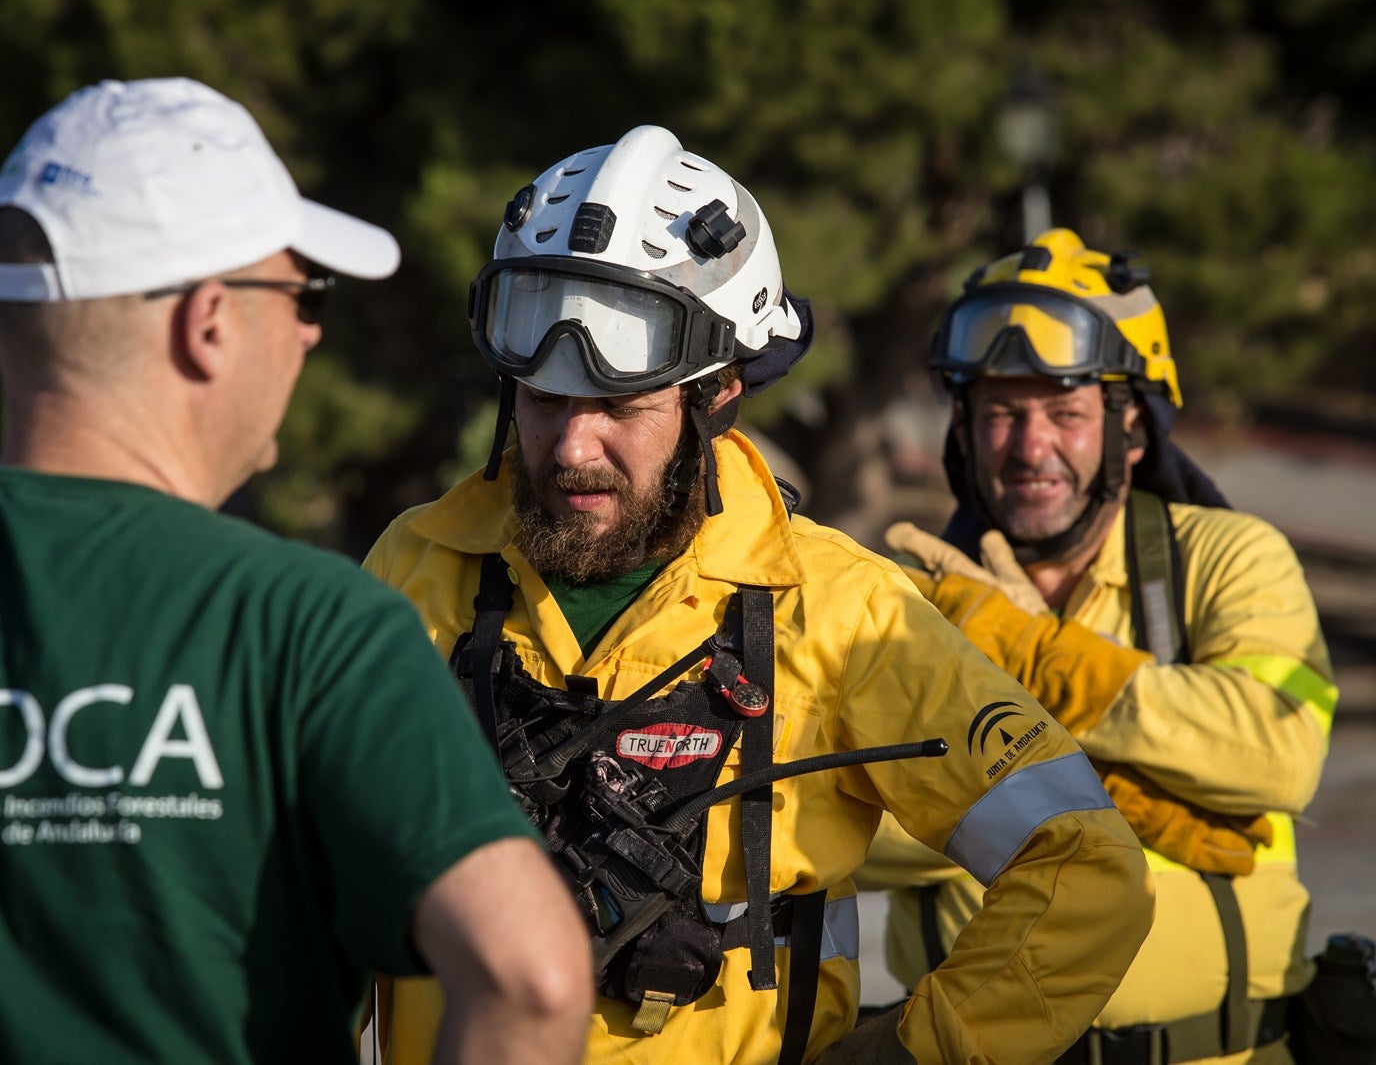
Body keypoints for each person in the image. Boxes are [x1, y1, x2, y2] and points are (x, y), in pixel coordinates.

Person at [0, 77, 592, 1065]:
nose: (310, 331)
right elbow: (530, 977)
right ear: (207, 322)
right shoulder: (313, 627)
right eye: (303, 293)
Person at [364, 126, 1154, 1065]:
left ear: (721, 392)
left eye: (619, 406)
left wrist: (912, 1055)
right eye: (542, 399)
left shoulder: (841, 609)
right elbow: (294, 871)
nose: (572, 449)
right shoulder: (415, 568)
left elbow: (1082, 863)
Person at [865, 228, 1338, 1064]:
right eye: (1002, 412)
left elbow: (1277, 751)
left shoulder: (1227, 555)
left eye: (1066, 412)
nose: (1029, 446)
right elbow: (854, 822)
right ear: (965, 432)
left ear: (1132, 428)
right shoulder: (915, 596)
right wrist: (1131, 784)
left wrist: (1033, 662)